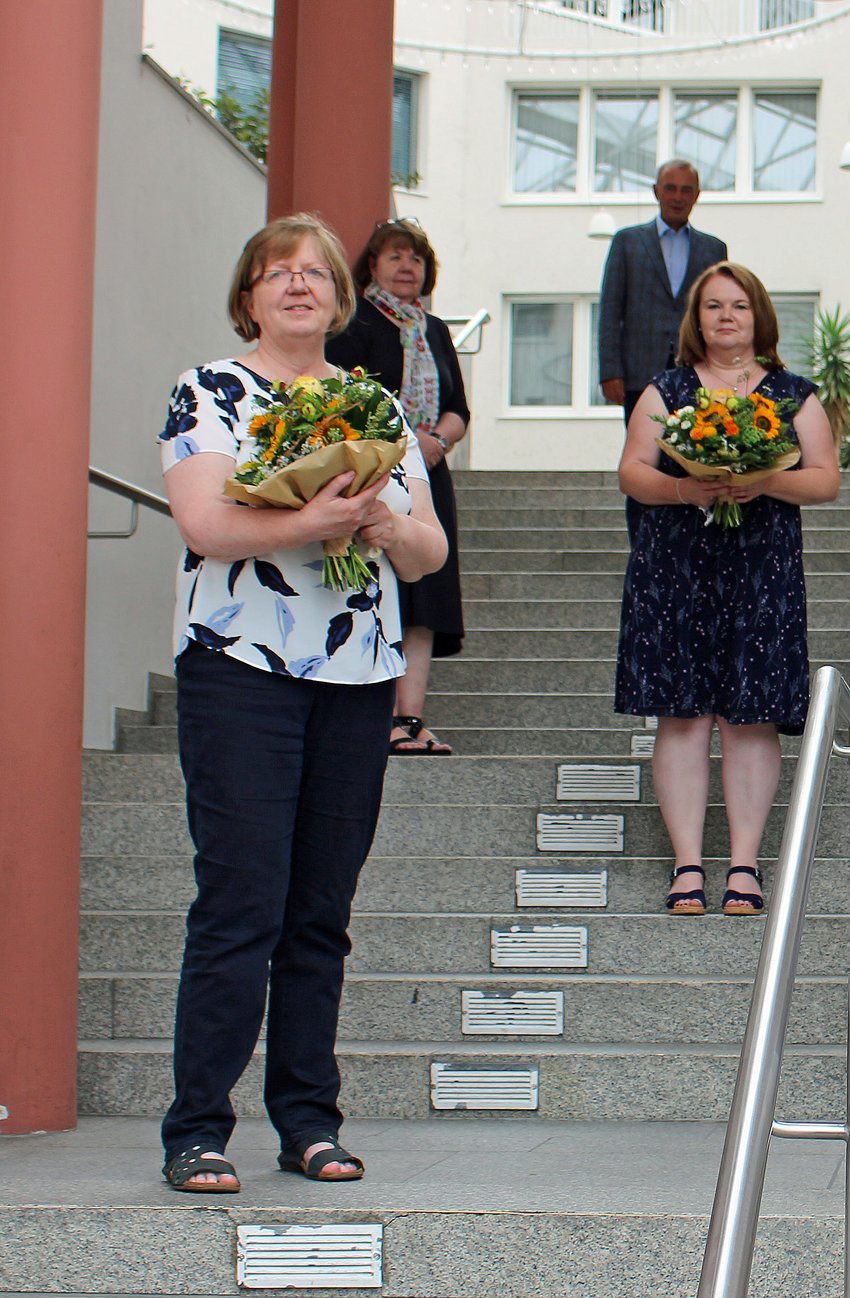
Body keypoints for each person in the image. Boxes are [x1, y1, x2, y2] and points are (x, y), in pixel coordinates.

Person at [156, 213, 447, 1192]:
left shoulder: (372, 404)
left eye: (314, 272)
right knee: (241, 904)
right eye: (276, 272)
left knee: (321, 910)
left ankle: (309, 1121)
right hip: (240, 667)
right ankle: (197, 1127)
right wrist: (310, 515)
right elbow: (203, 518)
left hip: (357, 677)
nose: (296, 284)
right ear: (249, 294)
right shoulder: (210, 389)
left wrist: (378, 517)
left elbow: (428, 549)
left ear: (337, 295)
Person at [614, 261, 840, 917]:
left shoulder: (794, 392)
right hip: (675, 566)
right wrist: (689, 487)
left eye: (738, 305)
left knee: (750, 718)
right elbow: (632, 471)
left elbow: (825, 479)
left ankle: (744, 863)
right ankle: (687, 863)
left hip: (760, 567)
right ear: (697, 318)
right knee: (682, 716)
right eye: (713, 306)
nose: (726, 317)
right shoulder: (667, 389)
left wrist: (762, 481)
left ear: (759, 315)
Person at [327, 217, 469, 755]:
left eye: (416, 259)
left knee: (426, 595)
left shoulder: (433, 329)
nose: (407, 267)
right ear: (373, 266)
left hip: (429, 474)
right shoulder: (352, 324)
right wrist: (406, 444)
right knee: (377, 585)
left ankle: (409, 720)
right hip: (372, 476)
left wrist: (436, 442)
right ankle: (372, 713)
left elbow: (458, 407)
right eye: (395, 257)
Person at [598, 159, 730, 422]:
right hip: (639, 372)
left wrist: (723, 370)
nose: (678, 197)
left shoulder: (714, 249)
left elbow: (721, 313)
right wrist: (610, 371)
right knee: (642, 452)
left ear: (697, 196)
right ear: (656, 191)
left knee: (698, 451)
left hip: (698, 371)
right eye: (671, 188)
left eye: (686, 190)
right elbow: (610, 311)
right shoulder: (627, 242)